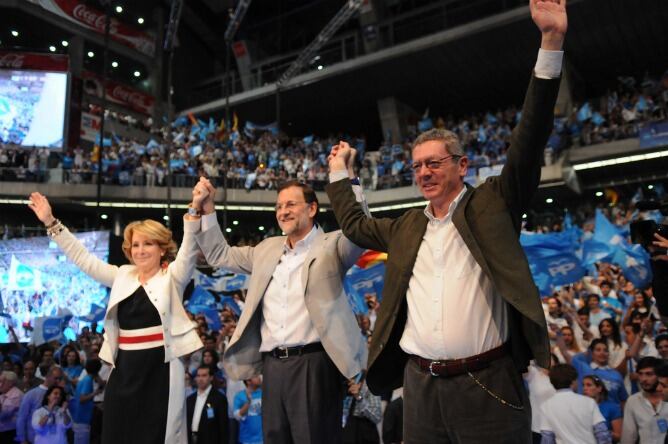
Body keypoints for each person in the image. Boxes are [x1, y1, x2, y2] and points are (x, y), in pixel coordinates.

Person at [325, 0, 567, 441]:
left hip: (488, 384)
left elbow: (530, 139)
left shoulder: (493, 203)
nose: (424, 173)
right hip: (419, 387)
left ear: (462, 165)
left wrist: (550, 42)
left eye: (435, 163)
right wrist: (340, 174)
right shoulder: (406, 227)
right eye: (417, 166)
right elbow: (358, 227)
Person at [192, 171, 368, 444]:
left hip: (314, 364)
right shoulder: (266, 249)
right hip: (272, 366)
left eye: (290, 205)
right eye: (278, 206)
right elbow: (218, 255)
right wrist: (207, 209)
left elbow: (361, 232)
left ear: (311, 209)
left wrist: (347, 177)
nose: (283, 211)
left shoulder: (332, 245)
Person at [27, 190, 207, 444]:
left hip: (160, 372)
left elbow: (188, 249)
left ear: (162, 248)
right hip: (123, 371)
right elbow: (84, 259)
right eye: (135, 244)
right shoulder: (122, 275)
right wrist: (51, 222)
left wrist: (194, 211)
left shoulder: (173, 277)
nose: (140, 250)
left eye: (148, 243)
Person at [539, 364, 611, 444]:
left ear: (551, 382)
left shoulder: (546, 406)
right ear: (573, 381)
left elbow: (547, 438)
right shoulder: (588, 402)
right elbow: (602, 433)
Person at [621, 357, 668, 444]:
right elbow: (628, 437)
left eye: (649, 374)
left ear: (660, 376)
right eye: (640, 374)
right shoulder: (633, 401)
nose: (643, 379)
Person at [16, 366, 64, 444]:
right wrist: (22, 439)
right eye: (56, 378)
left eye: (60, 379)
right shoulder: (31, 394)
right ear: (48, 376)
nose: (58, 381)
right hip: (35, 439)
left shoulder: (61, 395)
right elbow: (21, 418)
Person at [186, 366, 229, 444]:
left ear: (211, 377)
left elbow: (223, 427)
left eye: (204, 375)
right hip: (191, 439)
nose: (200, 379)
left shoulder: (219, 398)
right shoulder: (190, 399)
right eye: (198, 376)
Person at [70, 359, 103, 444]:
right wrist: (95, 393)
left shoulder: (86, 378)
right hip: (82, 420)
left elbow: (102, 384)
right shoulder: (88, 380)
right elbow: (82, 399)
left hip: (81, 419)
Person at [582, 375, 623, 442]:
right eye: (583, 385)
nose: (584, 388)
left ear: (599, 388)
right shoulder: (579, 407)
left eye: (589, 385)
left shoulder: (612, 407)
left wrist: (602, 432)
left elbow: (618, 436)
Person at [233, 376, 262, 444]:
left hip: (263, 438)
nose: (259, 378)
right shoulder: (239, 396)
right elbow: (237, 416)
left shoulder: (265, 394)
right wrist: (248, 402)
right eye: (256, 376)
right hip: (246, 439)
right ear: (248, 381)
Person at [0, 371, 23, 443]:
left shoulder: (16, 395)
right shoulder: (3, 394)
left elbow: (3, 415)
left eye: (2, 382)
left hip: (11, 433)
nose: (0, 385)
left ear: (10, 383)